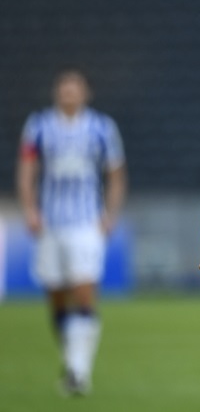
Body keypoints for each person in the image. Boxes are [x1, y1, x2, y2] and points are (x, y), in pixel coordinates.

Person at [16, 69, 127, 396]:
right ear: (56, 92)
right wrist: (30, 209)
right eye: (64, 88)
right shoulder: (38, 126)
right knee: (56, 299)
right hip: (51, 223)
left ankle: (79, 370)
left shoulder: (102, 128)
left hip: (86, 223)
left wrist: (110, 214)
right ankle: (72, 360)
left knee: (83, 290)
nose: (69, 93)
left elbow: (116, 174)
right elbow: (27, 171)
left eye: (74, 88)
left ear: (85, 93)